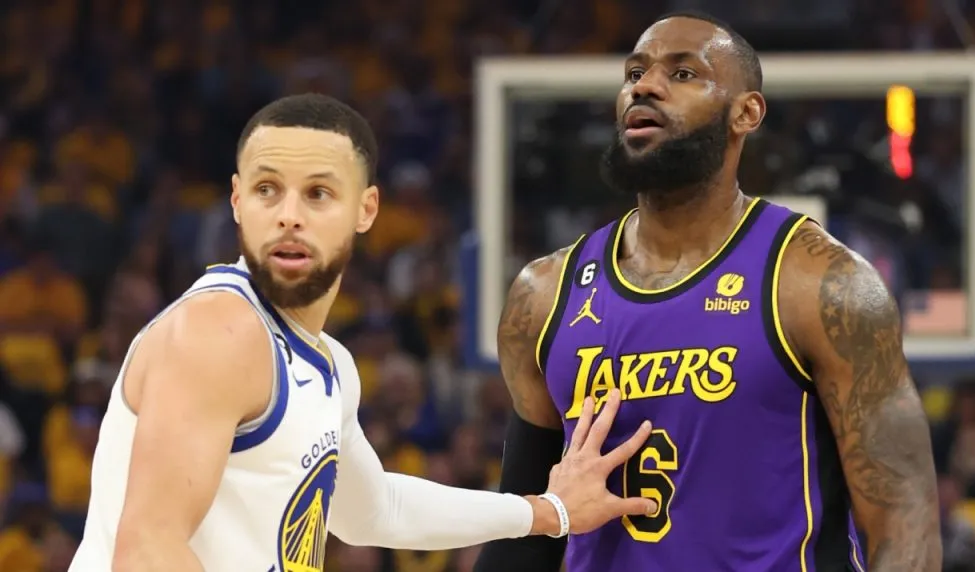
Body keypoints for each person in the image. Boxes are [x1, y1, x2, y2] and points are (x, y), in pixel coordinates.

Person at [69, 93, 658, 572]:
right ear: (236, 201)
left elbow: (373, 509)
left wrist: (547, 510)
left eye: (318, 193)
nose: (289, 214)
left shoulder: (328, 364)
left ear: (366, 209)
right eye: (267, 189)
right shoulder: (218, 328)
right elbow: (147, 552)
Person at [474, 11, 941, 572]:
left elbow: (905, 525)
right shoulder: (544, 294)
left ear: (747, 112)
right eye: (635, 73)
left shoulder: (822, 284)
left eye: (683, 74)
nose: (644, 86)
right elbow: (523, 533)